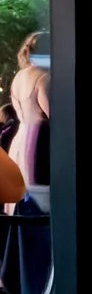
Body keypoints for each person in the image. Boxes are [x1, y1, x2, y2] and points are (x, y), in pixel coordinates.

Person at [6, 33, 47, 215]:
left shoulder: (19, 77)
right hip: (38, 143)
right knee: (38, 202)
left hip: (19, 140)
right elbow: (54, 115)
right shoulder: (45, 78)